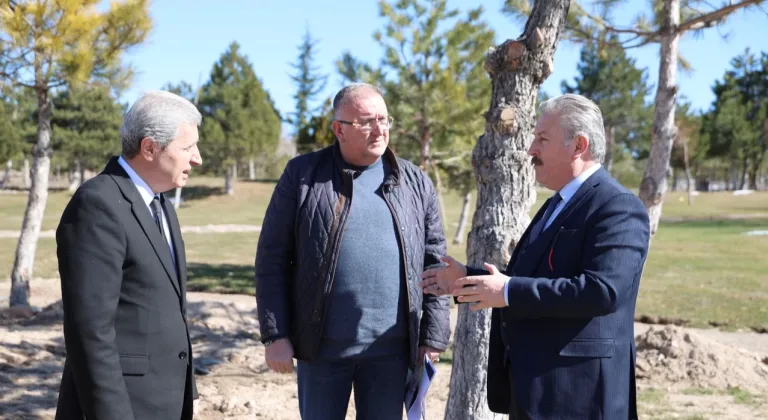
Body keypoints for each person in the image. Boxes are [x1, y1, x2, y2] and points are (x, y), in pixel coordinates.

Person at [420, 93, 650, 419]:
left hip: (579, 397)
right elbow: (534, 277)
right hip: (534, 392)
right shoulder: (558, 203)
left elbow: (603, 291)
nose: (531, 149)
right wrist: (470, 279)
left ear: (578, 145)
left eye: (542, 139)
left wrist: (507, 291)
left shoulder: (618, 207)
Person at [255, 83, 451, 420]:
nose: (379, 129)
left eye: (384, 119)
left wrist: (432, 335)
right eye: (366, 122)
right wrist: (276, 334)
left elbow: (435, 262)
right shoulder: (302, 176)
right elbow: (272, 258)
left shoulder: (416, 182)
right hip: (322, 350)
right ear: (338, 129)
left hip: (391, 352)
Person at [55, 90, 203, 420]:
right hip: (121, 407)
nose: (197, 158)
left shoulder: (162, 204)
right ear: (149, 147)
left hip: (164, 403)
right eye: (187, 147)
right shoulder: (98, 204)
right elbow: (90, 332)